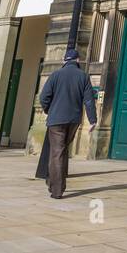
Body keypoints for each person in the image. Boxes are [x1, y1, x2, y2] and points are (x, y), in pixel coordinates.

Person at [38, 49, 97, 199]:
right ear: (77, 60)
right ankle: (55, 182)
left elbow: (44, 96)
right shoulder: (83, 76)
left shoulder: (56, 75)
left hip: (56, 119)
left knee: (57, 152)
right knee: (62, 151)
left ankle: (57, 190)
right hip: (73, 120)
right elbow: (89, 100)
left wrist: (48, 110)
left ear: (64, 61)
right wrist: (92, 120)